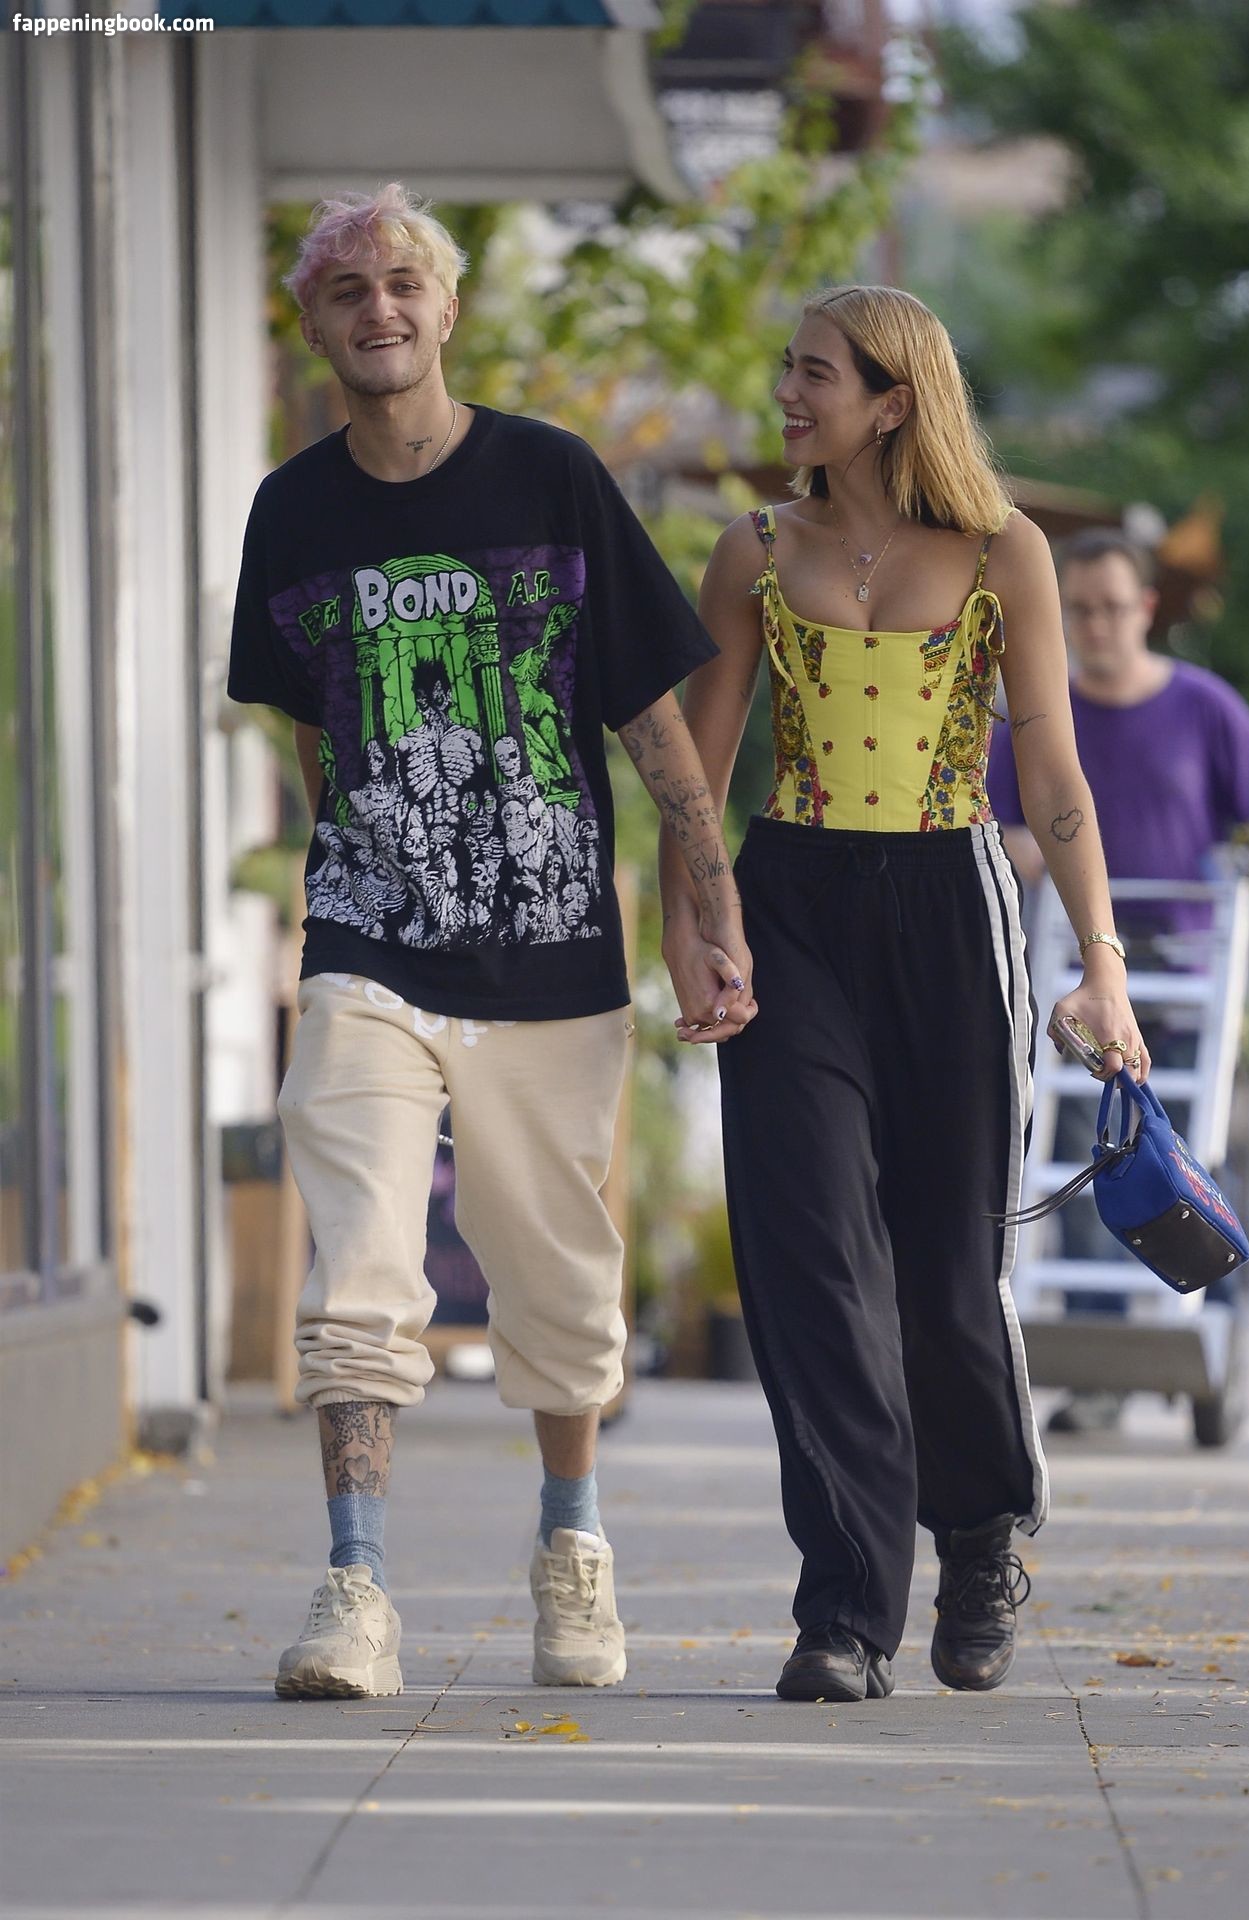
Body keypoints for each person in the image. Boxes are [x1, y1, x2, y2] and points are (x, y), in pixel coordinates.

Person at [227, 185, 754, 1701]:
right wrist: (354, 873)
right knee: (358, 1272)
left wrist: (708, 909)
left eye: (403, 282)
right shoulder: (291, 512)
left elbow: (648, 718)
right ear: (314, 326)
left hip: (551, 956)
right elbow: (314, 731)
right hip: (369, 948)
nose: (378, 309)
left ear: (447, 309)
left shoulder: (551, 477)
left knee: (560, 1287)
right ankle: (355, 1588)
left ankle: (572, 1545)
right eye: (346, 291)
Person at [660, 284, 1148, 1703]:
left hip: (950, 907)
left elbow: (1050, 774)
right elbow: (698, 770)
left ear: (891, 400)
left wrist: (1100, 962)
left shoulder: (1004, 551)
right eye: (787, 368)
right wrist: (693, 932)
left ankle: (979, 1534)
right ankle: (845, 1610)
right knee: (811, 1261)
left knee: (943, 1273)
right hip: (792, 905)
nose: (785, 393)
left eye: (812, 373)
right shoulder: (752, 550)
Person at [987, 528, 1249, 1433]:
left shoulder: (1204, 708)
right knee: (1092, 1161)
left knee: (1195, 1163)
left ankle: (1212, 1362)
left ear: (1146, 608)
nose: (1096, 625)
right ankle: (1104, 1370)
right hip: (1076, 977)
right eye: (1078, 609)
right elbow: (992, 822)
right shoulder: (1038, 716)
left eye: (1112, 607)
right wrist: (1019, 848)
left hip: (1184, 975)